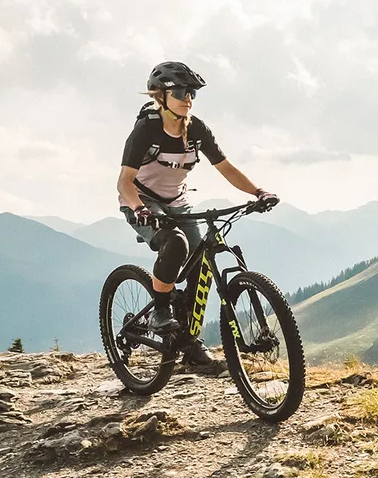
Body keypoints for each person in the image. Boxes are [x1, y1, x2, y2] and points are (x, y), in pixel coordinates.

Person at [117, 61, 277, 364]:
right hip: (141, 201)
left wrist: (258, 192)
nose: (188, 98)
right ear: (160, 95)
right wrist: (139, 209)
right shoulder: (146, 129)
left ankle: (189, 341)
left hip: (179, 202)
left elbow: (226, 168)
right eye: (180, 92)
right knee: (175, 243)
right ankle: (160, 310)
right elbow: (124, 181)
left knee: (199, 262)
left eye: (192, 93)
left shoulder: (196, 130)